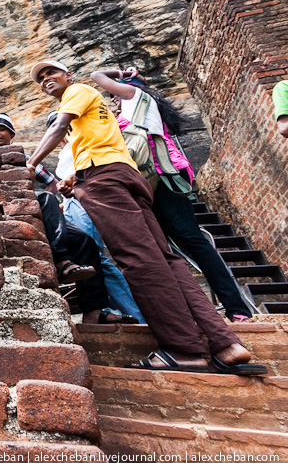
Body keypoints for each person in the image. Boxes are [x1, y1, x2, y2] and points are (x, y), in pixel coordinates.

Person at [25, 59, 263, 374]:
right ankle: (227, 344)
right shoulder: (95, 112)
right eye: (41, 78)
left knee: (137, 259)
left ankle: (184, 350)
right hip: (125, 176)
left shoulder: (77, 92)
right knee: (168, 260)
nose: (46, 79)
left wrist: (31, 163)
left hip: (103, 180)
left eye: (51, 72)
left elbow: (58, 126)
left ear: (67, 75)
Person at [90, 67, 253, 323]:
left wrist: (120, 73)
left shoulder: (137, 97)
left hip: (164, 176)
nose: (113, 98)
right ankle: (198, 313)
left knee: (191, 239)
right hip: (147, 183)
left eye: (115, 93)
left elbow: (96, 76)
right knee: (166, 248)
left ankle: (237, 308)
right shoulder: (131, 110)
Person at [0, 113, 136, 323]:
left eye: (1, 129)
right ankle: (63, 261)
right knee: (43, 197)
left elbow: (50, 181)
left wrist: (51, 201)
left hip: (29, 209)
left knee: (84, 242)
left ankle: (94, 312)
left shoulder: (24, 158)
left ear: (11, 134)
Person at [49, 111, 145, 324]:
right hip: (73, 203)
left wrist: (71, 183)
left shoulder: (83, 143)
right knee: (90, 256)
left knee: (96, 255)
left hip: (84, 199)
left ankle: (139, 314)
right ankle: (110, 308)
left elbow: (88, 169)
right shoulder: (66, 152)